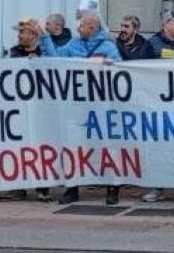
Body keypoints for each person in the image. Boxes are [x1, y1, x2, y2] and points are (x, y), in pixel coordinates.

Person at [35, 12, 122, 205]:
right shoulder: (73, 44)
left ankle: (112, 187)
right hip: (76, 107)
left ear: (92, 28)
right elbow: (55, 60)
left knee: (106, 148)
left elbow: (119, 72)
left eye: (82, 25)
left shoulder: (108, 47)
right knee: (73, 147)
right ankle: (72, 188)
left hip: (101, 106)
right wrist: (44, 37)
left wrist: (106, 65)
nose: (78, 28)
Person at [142, 10, 174, 203]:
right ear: (165, 24)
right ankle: (157, 187)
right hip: (157, 104)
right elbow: (140, 70)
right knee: (159, 147)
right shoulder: (152, 44)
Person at [3, 18, 49, 203]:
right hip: (19, 106)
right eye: (20, 32)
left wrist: (40, 62)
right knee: (18, 146)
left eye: (24, 32)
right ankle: (18, 188)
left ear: (33, 35)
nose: (20, 35)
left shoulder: (44, 52)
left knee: (40, 146)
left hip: (39, 106)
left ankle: (42, 187)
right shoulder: (14, 53)